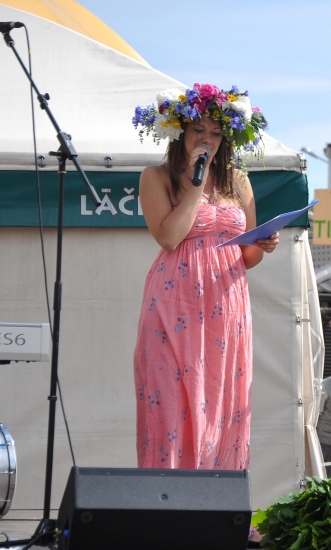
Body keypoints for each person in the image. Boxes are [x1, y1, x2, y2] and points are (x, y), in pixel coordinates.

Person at [131, 84, 278, 471]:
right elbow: (168, 236)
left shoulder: (238, 180)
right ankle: (168, 510)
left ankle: (218, 508)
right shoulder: (156, 176)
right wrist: (196, 186)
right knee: (172, 402)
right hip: (174, 300)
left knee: (224, 401)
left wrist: (262, 245)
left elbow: (245, 257)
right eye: (199, 130)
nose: (208, 140)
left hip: (226, 306)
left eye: (216, 133)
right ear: (181, 132)